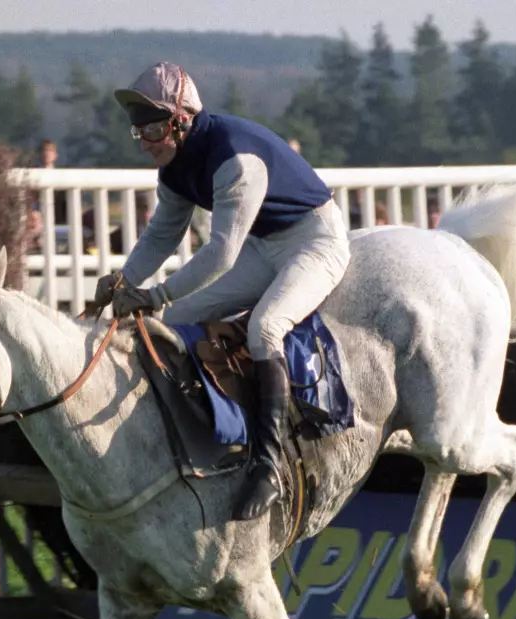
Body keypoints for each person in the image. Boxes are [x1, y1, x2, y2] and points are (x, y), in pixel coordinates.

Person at [93, 62, 351, 521]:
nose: (146, 142)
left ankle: (268, 466)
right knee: (170, 325)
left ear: (182, 119)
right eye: (139, 132)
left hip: (314, 240)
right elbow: (161, 235)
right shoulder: (174, 167)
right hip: (264, 246)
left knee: (265, 328)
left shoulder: (234, 157)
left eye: (153, 128)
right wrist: (124, 281)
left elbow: (220, 255)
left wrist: (154, 295)